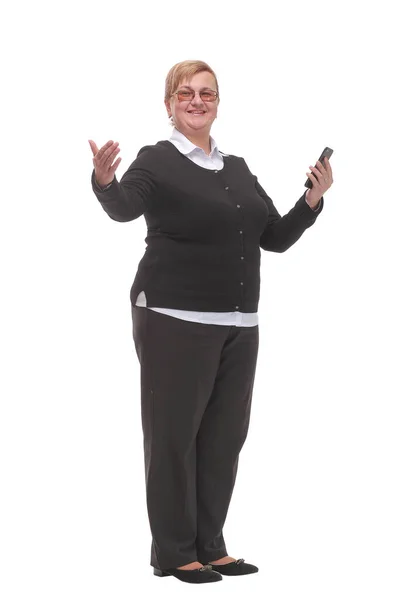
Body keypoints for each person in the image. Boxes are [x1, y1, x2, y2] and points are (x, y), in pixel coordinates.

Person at [89, 59, 333, 585]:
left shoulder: (239, 168)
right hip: (174, 318)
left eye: (207, 93)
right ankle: (175, 553)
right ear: (169, 104)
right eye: (185, 94)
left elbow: (274, 236)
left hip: (239, 324)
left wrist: (312, 199)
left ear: (218, 102)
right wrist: (105, 181)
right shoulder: (157, 160)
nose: (197, 102)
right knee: (174, 439)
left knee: (224, 439)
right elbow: (124, 207)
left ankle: (211, 545)